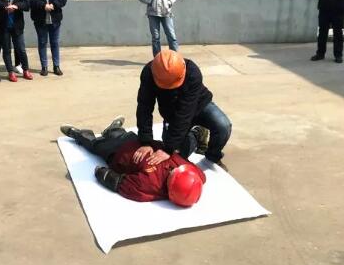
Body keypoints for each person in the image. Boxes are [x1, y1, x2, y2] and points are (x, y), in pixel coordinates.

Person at [60, 116, 205, 206]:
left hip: (118, 154)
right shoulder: (193, 174)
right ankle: (113, 130)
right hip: (140, 143)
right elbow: (200, 177)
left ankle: (79, 135)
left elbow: (118, 183)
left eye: (175, 173)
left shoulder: (149, 185)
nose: (176, 168)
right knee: (123, 135)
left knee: (97, 145)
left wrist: (101, 172)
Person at [136, 49, 231, 171]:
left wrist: (168, 148)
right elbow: (144, 106)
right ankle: (197, 134)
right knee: (178, 156)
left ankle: (213, 157)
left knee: (223, 126)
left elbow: (184, 113)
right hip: (172, 112)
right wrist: (146, 142)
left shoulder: (192, 72)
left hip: (199, 105)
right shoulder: (149, 73)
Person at [27, 0, 68, 76]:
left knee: (55, 42)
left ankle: (56, 66)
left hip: (55, 18)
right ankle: (44, 67)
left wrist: (54, 5)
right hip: (40, 19)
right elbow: (30, 0)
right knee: (42, 42)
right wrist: (43, 6)